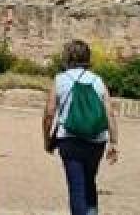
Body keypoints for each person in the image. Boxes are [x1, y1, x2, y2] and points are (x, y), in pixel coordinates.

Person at [43, 40, 119, 215]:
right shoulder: (97, 80)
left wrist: (47, 139)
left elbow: (49, 113)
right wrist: (114, 142)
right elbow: (109, 113)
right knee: (89, 182)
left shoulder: (60, 79)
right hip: (96, 140)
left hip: (70, 140)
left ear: (67, 57)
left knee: (76, 186)